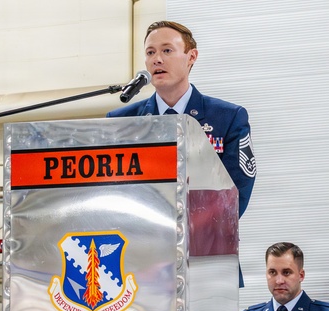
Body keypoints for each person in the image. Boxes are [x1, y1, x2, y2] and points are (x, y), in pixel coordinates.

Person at [106, 20, 256, 218]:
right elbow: (112, 190)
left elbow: (237, 191)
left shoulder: (227, 117)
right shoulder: (121, 121)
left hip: (204, 240)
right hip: (140, 240)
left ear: (191, 56)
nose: (157, 59)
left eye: (167, 50)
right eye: (150, 52)